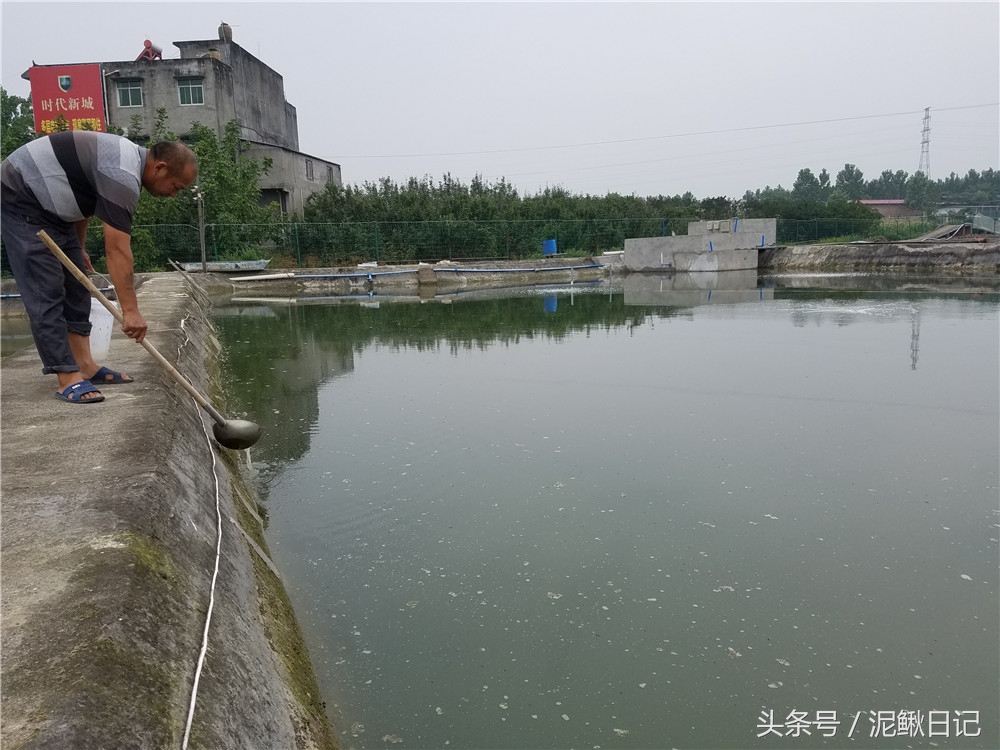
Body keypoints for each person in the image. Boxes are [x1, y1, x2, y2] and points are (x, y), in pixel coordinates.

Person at [1, 131, 197, 404]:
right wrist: (130, 312)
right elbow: (116, 250)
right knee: (45, 289)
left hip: (55, 209)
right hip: (21, 193)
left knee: (77, 282)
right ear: (160, 168)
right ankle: (66, 376)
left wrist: (78, 247)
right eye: (176, 187)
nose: (174, 195)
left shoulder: (126, 165)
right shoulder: (122, 174)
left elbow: (83, 200)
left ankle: (85, 366)